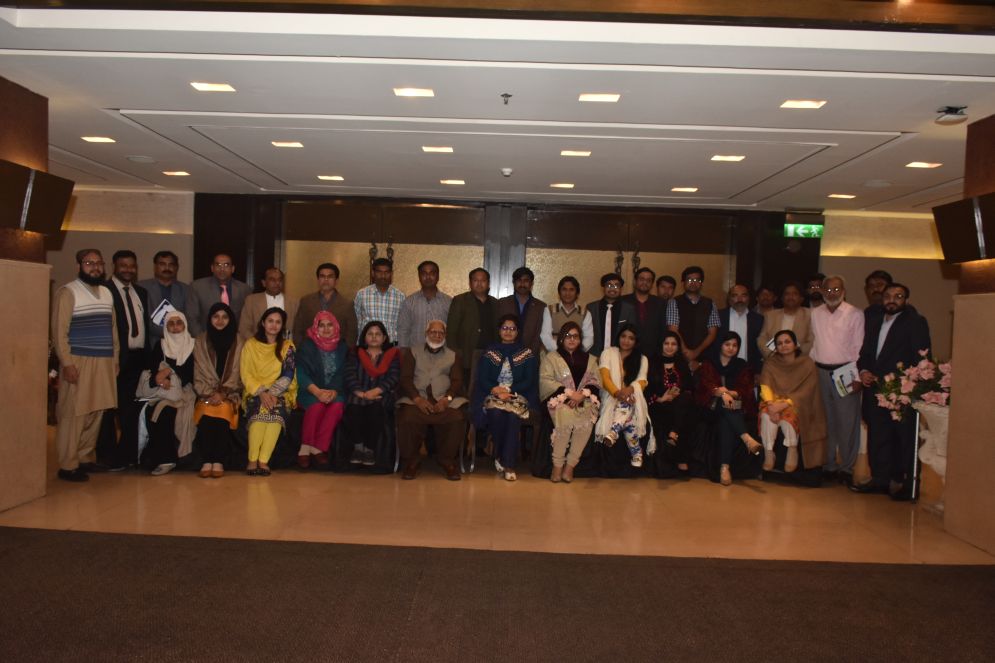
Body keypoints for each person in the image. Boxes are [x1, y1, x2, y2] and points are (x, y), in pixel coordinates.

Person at [854, 283, 931, 500]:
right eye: (888, 296)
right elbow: (865, 352)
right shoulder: (874, 320)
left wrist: (910, 387)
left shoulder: (915, 322)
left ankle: (907, 484)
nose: (892, 300)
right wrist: (864, 370)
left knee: (904, 439)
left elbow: (921, 358)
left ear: (906, 300)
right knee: (878, 436)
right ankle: (880, 479)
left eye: (898, 296)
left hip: (901, 391)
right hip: (875, 389)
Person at [52, 249, 119, 482]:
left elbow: (113, 329)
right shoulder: (68, 292)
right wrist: (67, 363)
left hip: (104, 361)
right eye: (89, 263)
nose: (95, 267)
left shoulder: (106, 292)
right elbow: (59, 332)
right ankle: (68, 465)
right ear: (79, 266)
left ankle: (85, 457)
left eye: (99, 263)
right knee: (74, 413)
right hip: (78, 361)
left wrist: (115, 359)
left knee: (96, 412)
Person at [97, 249, 151, 470]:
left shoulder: (141, 293)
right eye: (123, 266)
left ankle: (127, 455)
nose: (128, 270)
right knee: (109, 409)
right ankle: (107, 456)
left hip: (138, 359)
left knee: (131, 410)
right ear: (114, 267)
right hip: (116, 359)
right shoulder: (104, 291)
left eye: (131, 266)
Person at [397, 320, 468, 481]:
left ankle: (447, 461)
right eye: (433, 332)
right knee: (407, 417)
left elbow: (457, 381)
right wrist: (417, 399)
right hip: (417, 399)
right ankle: (412, 461)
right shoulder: (412, 352)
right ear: (426, 334)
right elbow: (406, 378)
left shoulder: (453, 355)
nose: (437, 335)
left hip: (443, 400)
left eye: (441, 333)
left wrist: (447, 399)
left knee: (456, 418)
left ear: (445, 335)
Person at [810, 275, 864, 485]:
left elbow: (858, 346)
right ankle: (829, 464)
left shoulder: (854, 313)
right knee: (826, 422)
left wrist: (857, 377)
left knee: (847, 422)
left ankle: (847, 468)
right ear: (822, 291)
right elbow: (814, 343)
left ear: (843, 291)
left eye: (836, 289)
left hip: (845, 372)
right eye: (828, 290)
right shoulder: (816, 313)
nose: (832, 293)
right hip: (821, 372)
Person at [471, 314, 539, 482]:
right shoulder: (490, 352)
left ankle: (508, 464)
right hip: (493, 393)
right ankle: (500, 454)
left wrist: (509, 390)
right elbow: (482, 378)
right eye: (505, 328)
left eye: (512, 328)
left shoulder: (526, 353)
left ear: (518, 332)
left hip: (517, 395)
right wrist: (495, 390)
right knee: (496, 413)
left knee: (512, 416)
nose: (508, 331)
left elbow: (529, 380)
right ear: (499, 330)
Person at [695, 332, 761, 486]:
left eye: (735, 345)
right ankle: (746, 439)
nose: (731, 348)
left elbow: (745, 388)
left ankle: (724, 468)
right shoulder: (709, 363)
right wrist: (722, 393)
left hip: (734, 407)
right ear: (720, 345)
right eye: (727, 344)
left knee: (726, 419)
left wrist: (731, 393)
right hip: (710, 407)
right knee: (725, 406)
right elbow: (706, 385)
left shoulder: (741, 365)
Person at [539, 321, 601, 483]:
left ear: (580, 339)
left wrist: (582, 395)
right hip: (558, 400)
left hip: (584, 399)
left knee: (587, 420)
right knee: (565, 417)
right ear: (561, 339)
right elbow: (546, 380)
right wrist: (568, 394)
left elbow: (595, 382)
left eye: (575, 336)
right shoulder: (551, 358)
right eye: (568, 336)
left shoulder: (589, 359)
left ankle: (570, 466)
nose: (572, 339)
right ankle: (557, 465)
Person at [758, 330, 827, 474]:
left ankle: (792, 450)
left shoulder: (807, 363)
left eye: (787, 342)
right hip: (773, 402)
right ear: (776, 347)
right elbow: (765, 385)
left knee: (787, 420)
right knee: (766, 417)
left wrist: (784, 404)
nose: (784, 345)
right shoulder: (771, 363)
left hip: (797, 403)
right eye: (779, 343)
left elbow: (808, 390)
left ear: (795, 344)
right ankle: (769, 453)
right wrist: (771, 406)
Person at [240, 307, 297, 476]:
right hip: (255, 391)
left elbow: (288, 373)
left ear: (282, 326)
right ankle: (252, 460)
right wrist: (262, 392)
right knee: (259, 413)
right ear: (263, 323)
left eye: (278, 322)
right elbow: (246, 373)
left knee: (275, 416)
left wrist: (272, 393)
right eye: (270, 321)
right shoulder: (250, 345)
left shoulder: (287, 346)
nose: (274, 325)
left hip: (280, 392)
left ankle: (263, 460)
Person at [139, 311, 197, 476]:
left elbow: (192, 372)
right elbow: (152, 370)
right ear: (166, 327)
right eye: (171, 323)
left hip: (186, 391)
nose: (175, 327)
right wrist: (159, 379)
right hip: (163, 392)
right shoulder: (161, 345)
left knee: (168, 412)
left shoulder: (193, 345)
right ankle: (164, 459)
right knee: (156, 411)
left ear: (185, 325)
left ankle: (172, 459)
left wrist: (170, 374)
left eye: (179, 323)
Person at [192, 302, 243, 479]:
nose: (220, 321)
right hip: (205, 392)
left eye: (224, 317)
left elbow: (238, 372)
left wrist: (223, 393)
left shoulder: (239, 341)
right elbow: (198, 372)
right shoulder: (200, 341)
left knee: (223, 411)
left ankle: (218, 460)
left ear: (231, 320)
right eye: (216, 317)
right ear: (209, 319)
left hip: (230, 393)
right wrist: (209, 393)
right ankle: (207, 460)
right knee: (207, 413)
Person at [343, 320, 401, 469]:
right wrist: (361, 393)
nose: (374, 337)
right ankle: (358, 448)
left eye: (378, 334)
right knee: (353, 410)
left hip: (381, 395)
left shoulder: (392, 355)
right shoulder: (355, 353)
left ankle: (369, 450)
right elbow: (349, 375)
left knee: (375, 410)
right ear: (364, 337)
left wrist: (376, 391)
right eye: (370, 334)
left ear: (384, 338)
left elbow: (393, 377)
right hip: (358, 394)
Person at [595, 323, 653, 469]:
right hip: (610, 396)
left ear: (636, 341)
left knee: (628, 404)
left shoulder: (642, 359)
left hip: (633, 396)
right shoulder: (608, 353)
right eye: (623, 336)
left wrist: (629, 390)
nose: (626, 341)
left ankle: (614, 431)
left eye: (631, 338)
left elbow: (642, 381)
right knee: (628, 415)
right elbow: (604, 378)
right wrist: (618, 393)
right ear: (618, 337)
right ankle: (636, 453)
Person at [295, 311, 348, 471]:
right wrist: (317, 392)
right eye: (321, 325)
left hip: (335, 391)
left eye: (329, 325)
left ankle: (318, 447)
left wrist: (334, 392)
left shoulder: (343, 347)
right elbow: (300, 372)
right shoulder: (307, 345)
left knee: (337, 406)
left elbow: (344, 373)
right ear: (315, 328)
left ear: (336, 327)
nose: (326, 329)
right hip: (310, 390)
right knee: (317, 406)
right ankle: (306, 446)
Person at [645, 331, 695, 473]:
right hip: (658, 404)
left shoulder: (682, 363)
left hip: (679, 404)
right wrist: (661, 398)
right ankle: (680, 455)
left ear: (678, 347)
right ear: (661, 345)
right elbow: (645, 388)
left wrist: (677, 393)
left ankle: (674, 433)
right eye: (666, 343)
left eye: (673, 344)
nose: (670, 347)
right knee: (679, 413)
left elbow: (690, 387)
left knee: (685, 402)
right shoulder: (651, 363)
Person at [447, 267, 497, 388]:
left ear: (488, 283)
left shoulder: (495, 303)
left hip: (490, 354)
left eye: (483, 280)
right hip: (467, 354)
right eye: (475, 280)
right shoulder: (460, 300)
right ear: (470, 283)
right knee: (467, 388)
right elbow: (451, 330)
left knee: (488, 387)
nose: (479, 283)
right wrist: (456, 354)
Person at [293, 262, 358, 350]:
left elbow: (352, 333)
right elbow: (297, 329)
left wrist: (345, 352)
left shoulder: (347, 304)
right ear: (318, 279)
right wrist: (301, 350)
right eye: (322, 276)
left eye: (330, 277)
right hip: (310, 351)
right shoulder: (306, 301)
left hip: (337, 353)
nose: (326, 280)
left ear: (336, 280)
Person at [666, 266, 720, 371]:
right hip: (679, 355)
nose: (693, 283)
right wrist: (686, 352)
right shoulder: (674, 302)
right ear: (683, 283)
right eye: (690, 280)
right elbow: (673, 329)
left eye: (697, 280)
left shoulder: (710, 303)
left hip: (704, 356)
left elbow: (712, 333)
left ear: (701, 283)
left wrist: (696, 352)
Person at [189, 253, 252, 335]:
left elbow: (247, 320)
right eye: (218, 265)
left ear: (232, 269)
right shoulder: (197, 287)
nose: (222, 269)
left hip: (235, 339)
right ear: (212, 268)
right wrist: (202, 339)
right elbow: (192, 318)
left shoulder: (244, 289)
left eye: (226, 265)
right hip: (206, 337)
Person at [139, 250, 194, 342]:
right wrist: (168, 331)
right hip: (150, 342)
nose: (167, 268)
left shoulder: (186, 290)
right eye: (162, 264)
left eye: (171, 265)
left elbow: (189, 317)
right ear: (155, 267)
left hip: (179, 342)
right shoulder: (142, 288)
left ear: (176, 268)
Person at [396, 260, 452, 349]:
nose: (428, 277)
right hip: (415, 354)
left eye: (432, 273)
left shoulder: (449, 302)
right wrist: (404, 353)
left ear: (438, 276)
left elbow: (452, 332)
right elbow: (403, 331)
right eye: (424, 273)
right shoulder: (409, 302)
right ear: (419, 276)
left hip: (442, 354)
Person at [495, 267, 546, 358]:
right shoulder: (502, 303)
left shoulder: (541, 307)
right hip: (504, 356)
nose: (522, 284)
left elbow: (539, 335)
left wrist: (528, 356)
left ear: (531, 283)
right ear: (513, 283)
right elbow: (497, 330)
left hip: (531, 357)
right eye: (519, 280)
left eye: (526, 281)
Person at [714, 283, 764, 375]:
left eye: (743, 295)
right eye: (735, 296)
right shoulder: (719, 316)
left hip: (748, 370)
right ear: (729, 299)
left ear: (749, 298)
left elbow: (758, 348)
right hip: (721, 369)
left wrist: (758, 371)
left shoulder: (758, 319)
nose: (740, 299)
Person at [354, 257, 405, 344]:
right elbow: (357, 321)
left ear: (391, 274)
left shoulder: (400, 296)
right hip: (367, 346)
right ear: (373, 273)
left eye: (386, 272)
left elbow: (403, 325)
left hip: (391, 345)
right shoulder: (362, 294)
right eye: (379, 272)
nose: (383, 276)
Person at [238, 267, 297, 340]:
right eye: (272, 280)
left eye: (280, 280)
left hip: (286, 344)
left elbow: (298, 330)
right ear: (264, 283)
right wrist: (257, 343)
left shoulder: (294, 303)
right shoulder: (251, 301)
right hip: (257, 344)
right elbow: (244, 328)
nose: (277, 283)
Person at [586, 272, 636, 357]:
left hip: (619, 357)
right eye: (609, 285)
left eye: (616, 285)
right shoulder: (591, 308)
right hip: (594, 356)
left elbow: (632, 335)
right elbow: (586, 335)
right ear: (603, 288)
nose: (612, 288)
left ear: (621, 289)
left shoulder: (629, 309)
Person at [758, 282, 813, 358]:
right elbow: (762, 339)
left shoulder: (810, 315)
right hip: (774, 359)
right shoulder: (771, 315)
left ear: (801, 298)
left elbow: (811, 340)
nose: (790, 297)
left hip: (800, 360)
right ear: (782, 298)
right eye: (787, 294)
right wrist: (773, 354)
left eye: (795, 294)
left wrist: (793, 355)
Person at [622, 267, 667, 359]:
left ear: (652, 284)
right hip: (628, 353)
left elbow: (663, 329)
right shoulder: (623, 301)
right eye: (641, 279)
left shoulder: (660, 303)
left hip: (653, 354)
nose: (645, 282)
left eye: (648, 280)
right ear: (635, 281)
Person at [540, 275, 593, 353]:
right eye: (564, 289)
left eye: (571, 290)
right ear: (559, 292)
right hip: (554, 355)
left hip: (577, 356)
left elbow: (589, 338)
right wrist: (561, 353)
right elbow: (545, 336)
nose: (567, 293)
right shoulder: (549, 310)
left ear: (577, 293)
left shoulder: (585, 313)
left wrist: (575, 352)